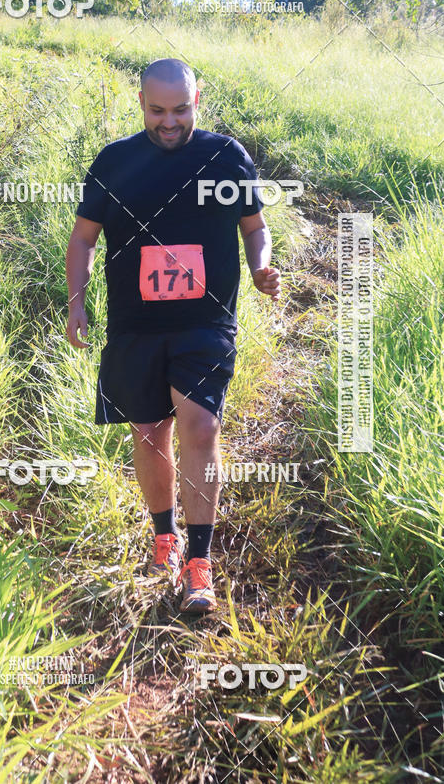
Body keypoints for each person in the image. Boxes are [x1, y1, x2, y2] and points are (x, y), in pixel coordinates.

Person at [65, 58, 281, 614]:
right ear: (141, 102)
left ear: (197, 99)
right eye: (158, 110)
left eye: (180, 109)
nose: (169, 122)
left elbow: (255, 228)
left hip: (205, 322)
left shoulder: (225, 157)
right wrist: (77, 301)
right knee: (149, 432)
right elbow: (84, 239)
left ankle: (199, 564)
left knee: (201, 425)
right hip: (136, 324)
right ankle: (165, 538)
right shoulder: (115, 162)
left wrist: (261, 267)